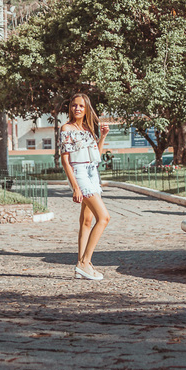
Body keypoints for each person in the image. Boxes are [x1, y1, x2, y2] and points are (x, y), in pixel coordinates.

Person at [60, 93, 111, 281]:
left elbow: (96, 155)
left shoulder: (89, 129)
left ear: (87, 108)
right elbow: (65, 161)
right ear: (70, 108)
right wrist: (75, 187)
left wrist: (102, 137)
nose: (77, 109)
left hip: (92, 173)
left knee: (86, 221)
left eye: (81, 106)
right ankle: (85, 262)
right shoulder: (66, 128)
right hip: (80, 174)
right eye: (74, 105)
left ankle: (81, 265)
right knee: (104, 217)